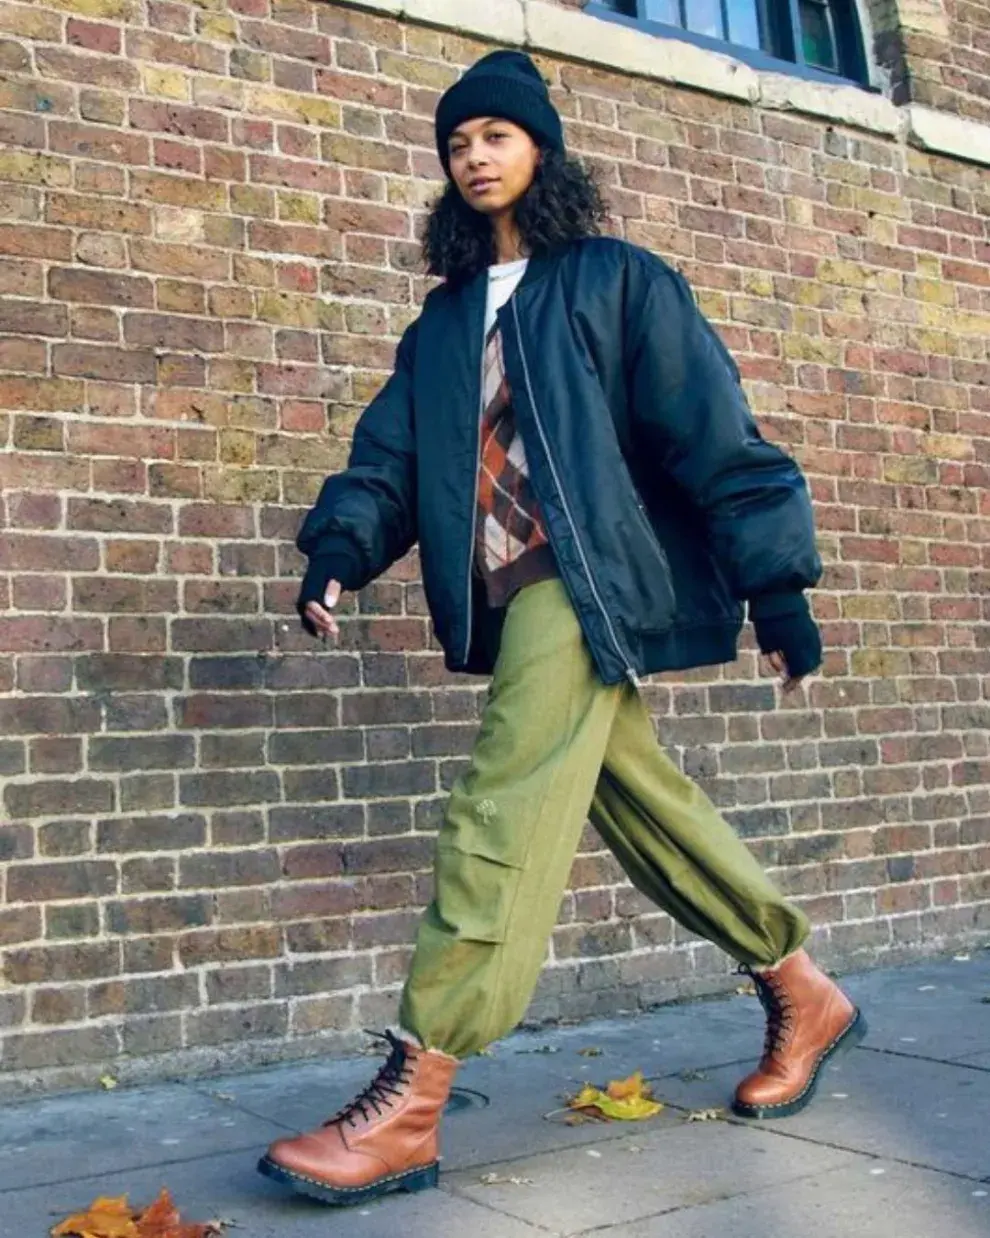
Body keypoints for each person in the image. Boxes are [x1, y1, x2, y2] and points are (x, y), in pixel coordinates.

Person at [258, 49, 866, 1208]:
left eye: (495, 133)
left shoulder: (616, 281)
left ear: (540, 149)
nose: (474, 154)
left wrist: (777, 588)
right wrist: (339, 550)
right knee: (641, 799)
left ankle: (417, 1086)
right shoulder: (442, 324)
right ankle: (801, 982)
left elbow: (714, 432)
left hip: (581, 585)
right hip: (509, 594)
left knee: (503, 800)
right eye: (456, 142)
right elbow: (389, 459)